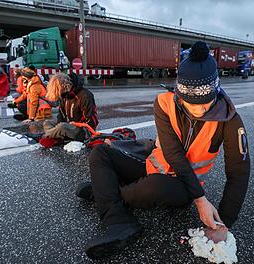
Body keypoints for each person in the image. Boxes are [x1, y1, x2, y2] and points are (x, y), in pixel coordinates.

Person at [76, 41, 250, 259]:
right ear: (179, 93)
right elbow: (173, 153)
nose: (199, 109)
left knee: (154, 186)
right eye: (191, 103)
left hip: (184, 187)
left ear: (216, 91)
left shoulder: (229, 119)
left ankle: (104, 193)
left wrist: (222, 223)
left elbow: (239, 173)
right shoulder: (164, 103)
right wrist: (202, 201)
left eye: (206, 103)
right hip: (154, 166)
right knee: (100, 152)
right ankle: (118, 221)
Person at [39, 72, 98, 147]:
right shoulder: (65, 95)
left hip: (83, 131)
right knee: (47, 123)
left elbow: (91, 120)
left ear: (64, 87)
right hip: (69, 125)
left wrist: (76, 125)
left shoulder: (85, 95)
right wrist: (59, 127)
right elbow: (61, 115)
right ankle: (56, 136)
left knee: (62, 126)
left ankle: (47, 136)